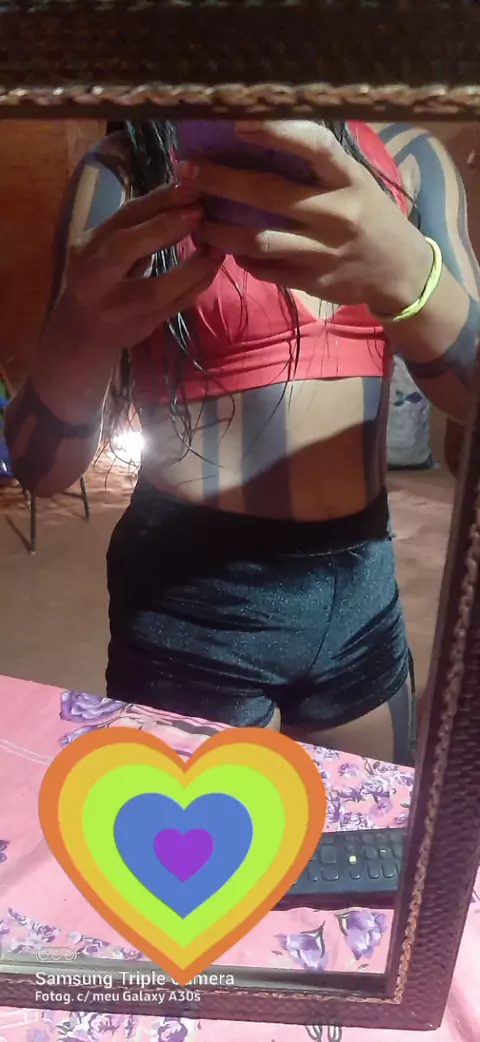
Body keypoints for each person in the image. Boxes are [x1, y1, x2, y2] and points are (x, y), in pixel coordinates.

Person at [5, 120, 480, 766]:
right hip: (191, 601)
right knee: (191, 833)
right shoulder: (127, 171)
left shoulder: (408, 159)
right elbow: (39, 468)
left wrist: (411, 275)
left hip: (360, 583)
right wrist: (79, 333)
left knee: (373, 824)